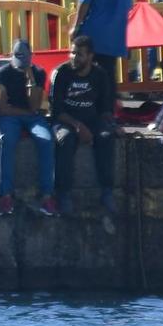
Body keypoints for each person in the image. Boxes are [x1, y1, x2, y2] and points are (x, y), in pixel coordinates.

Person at [50, 33, 119, 224]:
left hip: (92, 120)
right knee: (65, 139)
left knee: (106, 137)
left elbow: (105, 109)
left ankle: (107, 191)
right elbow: (57, 111)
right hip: (66, 121)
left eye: (79, 54)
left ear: (90, 56)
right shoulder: (62, 73)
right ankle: (63, 193)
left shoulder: (100, 75)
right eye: (72, 53)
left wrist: (113, 126)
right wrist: (78, 126)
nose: (73, 57)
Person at [0, 39, 57, 217]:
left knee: (46, 140)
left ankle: (47, 196)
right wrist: (25, 111)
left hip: (31, 116)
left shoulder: (38, 72)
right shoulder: (2, 73)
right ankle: (5, 194)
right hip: (9, 116)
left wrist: (30, 79)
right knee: (7, 140)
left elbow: (35, 105)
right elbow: (2, 106)